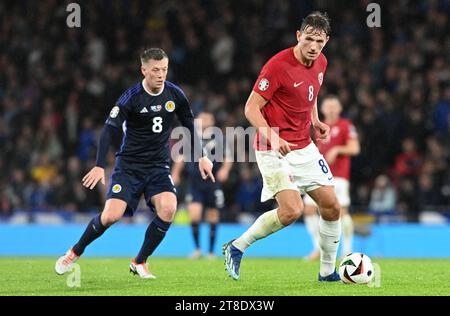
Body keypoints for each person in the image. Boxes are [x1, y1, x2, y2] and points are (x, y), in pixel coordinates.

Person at [55, 48, 214, 279]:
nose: (161, 75)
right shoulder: (131, 97)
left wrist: (201, 156)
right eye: (156, 70)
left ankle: (140, 261)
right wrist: (100, 165)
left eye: (165, 69)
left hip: (158, 166)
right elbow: (109, 130)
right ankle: (74, 251)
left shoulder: (175, 94)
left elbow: (189, 122)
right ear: (144, 70)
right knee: (111, 216)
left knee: (169, 208)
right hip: (129, 167)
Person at [223, 11, 342, 282]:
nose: (313, 46)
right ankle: (237, 246)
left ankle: (327, 273)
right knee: (292, 211)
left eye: (319, 42)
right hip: (272, 146)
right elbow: (251, 108)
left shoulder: (321, 62)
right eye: (308, 39)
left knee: (332, 206)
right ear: (298, 36)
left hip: (303, 145)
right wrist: (274, 137)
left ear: (326, 41)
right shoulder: (277, 65)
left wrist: (315, 121)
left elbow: (310, 94)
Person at [303, 96, 360, 260]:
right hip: (316, 175)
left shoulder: (345, 126)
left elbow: (355, 148)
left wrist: (337, 150)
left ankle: (347, 251)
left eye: (334, 106)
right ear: (322, 109)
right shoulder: (314, 127)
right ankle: (318, 247)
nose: (331, 109)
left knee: (341, 211)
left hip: (338, 176)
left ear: (340, 109)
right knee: (308, 210)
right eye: (328, 106)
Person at [172, 112, 233, 258]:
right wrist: (175, 173)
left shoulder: (219, 138)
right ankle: (198, 249)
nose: (205, 121)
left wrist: (224, 170)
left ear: (212, 121)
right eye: (202, 118)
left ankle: (211, 251)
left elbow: (228, 157)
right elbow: (181, 157)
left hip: (212, 182)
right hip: (195, 182)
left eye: (208, 118)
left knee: (213, 215)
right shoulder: (191, 138)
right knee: (195, 215)